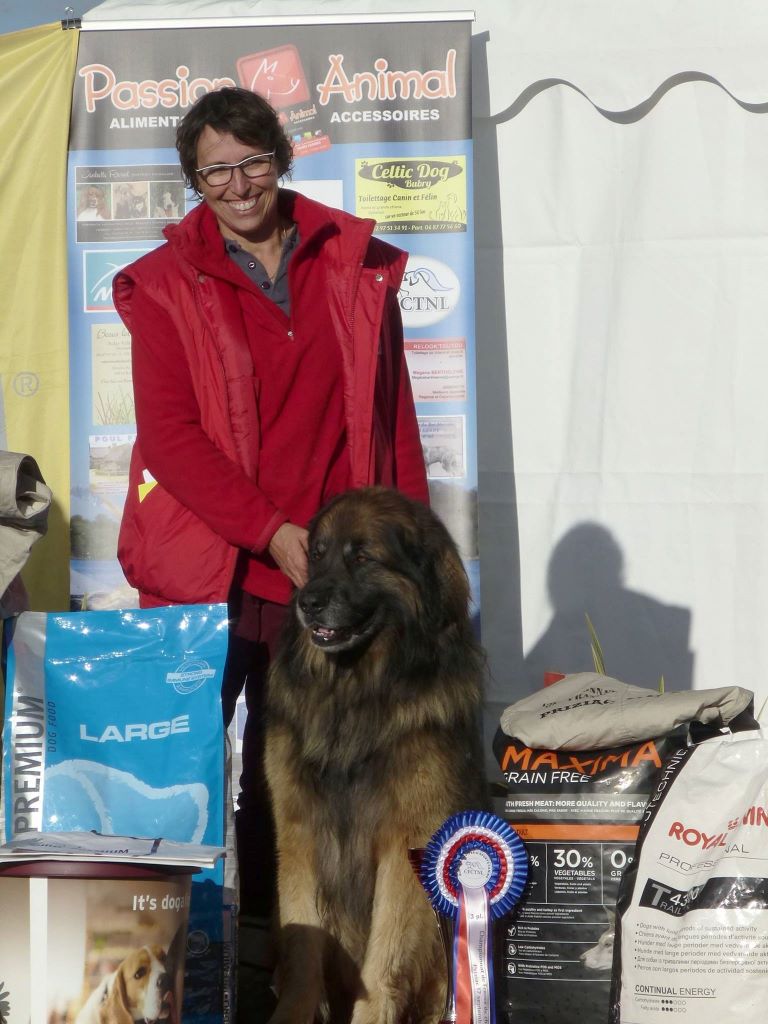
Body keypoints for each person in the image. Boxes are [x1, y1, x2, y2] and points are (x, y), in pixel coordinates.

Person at [112, 87, 427, 1009]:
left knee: (293, 779)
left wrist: (402, 549)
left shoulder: (351, 261)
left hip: (332, 583)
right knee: (178, 774)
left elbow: (392, 419)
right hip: (214, 566)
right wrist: (269, 531)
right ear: (193, 179)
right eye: (215, 170)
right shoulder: (162, 283)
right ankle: (164, 978)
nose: (238, 185)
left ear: (281, 159)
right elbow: (171, 441)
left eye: (252, 162)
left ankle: (278, 971)